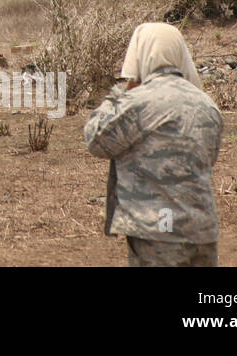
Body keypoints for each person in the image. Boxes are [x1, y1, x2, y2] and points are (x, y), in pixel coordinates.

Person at [84, 22, 223, 267]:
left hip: (157, 231)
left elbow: (96, 140)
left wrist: (119, 93)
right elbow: (209, 158)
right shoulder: (206, 104)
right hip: (202, 229)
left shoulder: (137, 102)